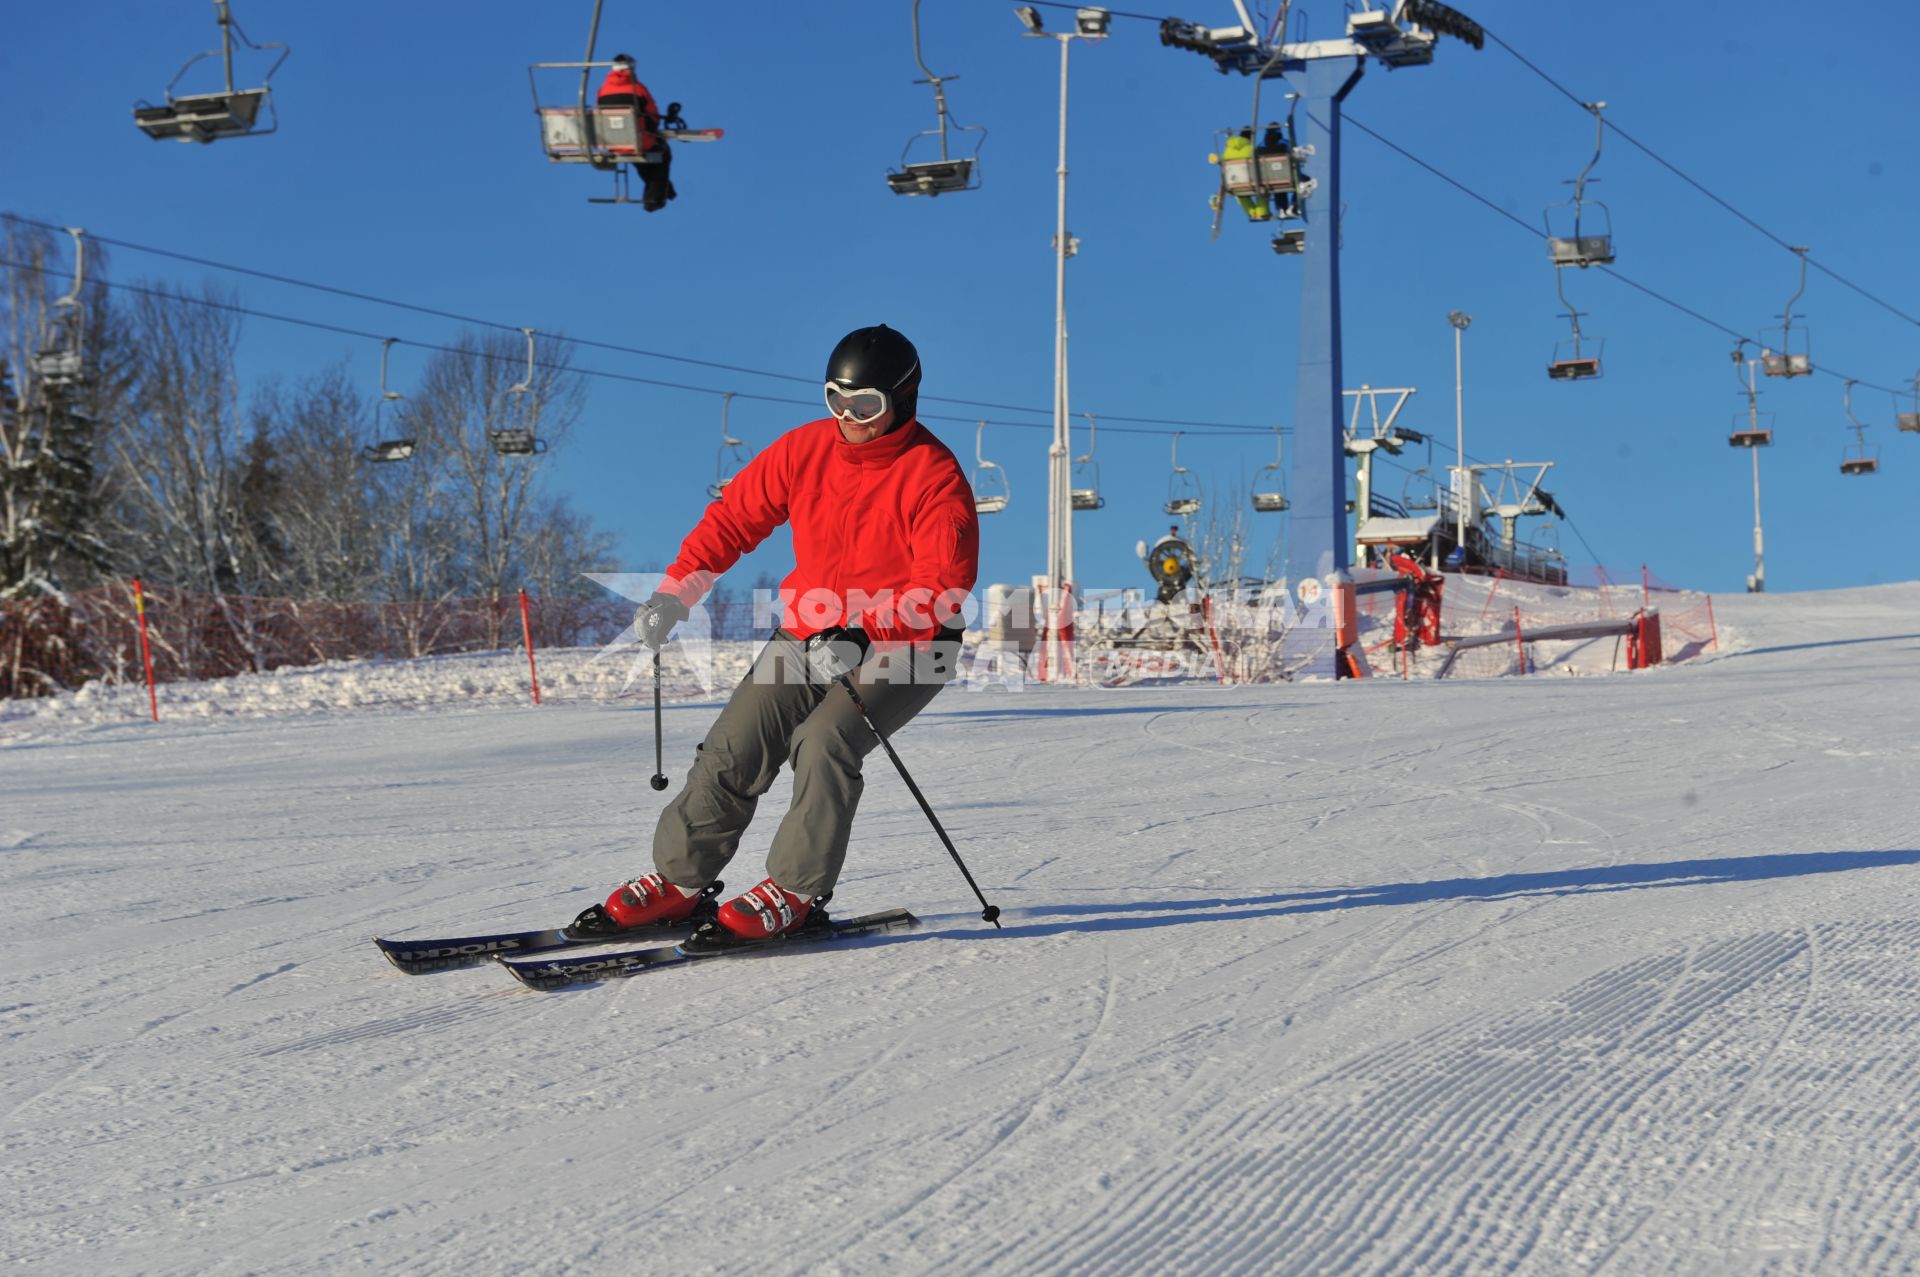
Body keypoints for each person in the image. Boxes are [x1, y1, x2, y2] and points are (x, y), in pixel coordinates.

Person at [584, 325, 981, 944]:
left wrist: (863, 631)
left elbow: (943, 587)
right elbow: (734, 518)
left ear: (902, 400)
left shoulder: (933, 475)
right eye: (836, 400)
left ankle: (795, 889)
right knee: (735, 744)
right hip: (811, 631)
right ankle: (680, 882)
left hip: (910, 643)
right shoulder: (804, 451)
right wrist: (677, 590)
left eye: (866, 405)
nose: (849, 417)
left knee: (824, 740)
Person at [596, 53, 674, 211]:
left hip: (613, 142)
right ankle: (654, 199)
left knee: (642, 161)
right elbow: (653, 115)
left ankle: (665, 190)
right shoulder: (638, 89)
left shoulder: (602, 90)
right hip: (638, 141)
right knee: (662, 154)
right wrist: (653, 127)